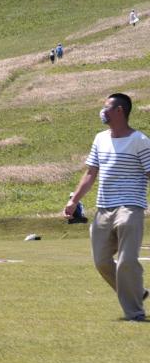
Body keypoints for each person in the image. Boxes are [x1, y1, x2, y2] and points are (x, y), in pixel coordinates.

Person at [63, 93, 150, 322]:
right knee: (101, 262)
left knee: (126, 261)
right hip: (103, 208)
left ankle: (135, 313)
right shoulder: (100, 139)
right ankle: (137, 291)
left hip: (131, 207)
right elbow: (91, 173)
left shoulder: (140, 140)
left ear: (120, 111)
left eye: (106, 108)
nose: (103, 112)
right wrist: (74, 201)